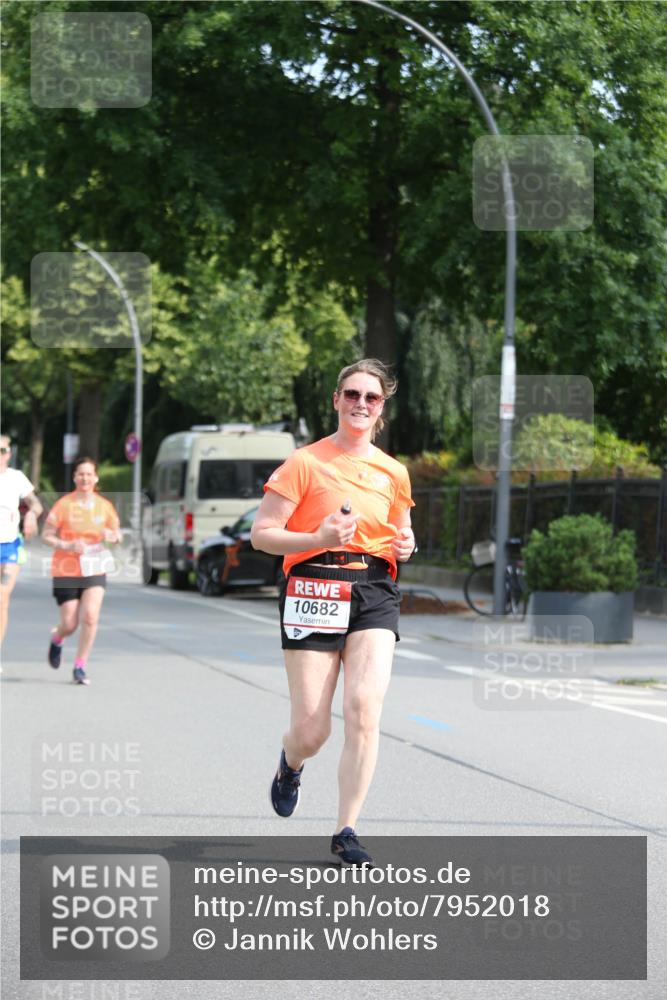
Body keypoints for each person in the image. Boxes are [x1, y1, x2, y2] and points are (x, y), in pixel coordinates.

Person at [251, 359, 416, 866]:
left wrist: (407, 544)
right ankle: (291, 762)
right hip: (313, 586)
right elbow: (262, 534)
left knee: (365, 707)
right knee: (312, 729)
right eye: (351, 394)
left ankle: (347, 829)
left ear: (382, 407)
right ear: (336, 400)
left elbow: (401, 533)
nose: (360, 404)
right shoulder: (305, 462)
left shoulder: (394, 471)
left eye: (371, 397)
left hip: (374, 589)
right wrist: (318, 537)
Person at [41, 456, 122, 685]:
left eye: (89, 474)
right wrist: (68, 545)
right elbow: (46, 535)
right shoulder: (64, 505)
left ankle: (80, 666)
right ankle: (57, 638)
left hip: (94, 566)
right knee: (70, 624)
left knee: (90, 616)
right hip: (66, 567)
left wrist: (112, 536)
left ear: (96, 478)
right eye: (80, 473)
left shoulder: (104, 506)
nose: (85, 478)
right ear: (75, 477)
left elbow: (118, 535)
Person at [0, 435, 43, 647]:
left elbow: (36, 503)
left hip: (9, 545)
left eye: (3, 450)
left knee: (1, 599)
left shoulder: (16, 478)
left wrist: (32, 515)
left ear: (8, 454)